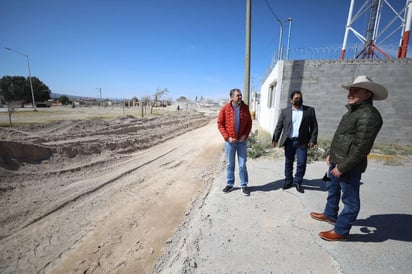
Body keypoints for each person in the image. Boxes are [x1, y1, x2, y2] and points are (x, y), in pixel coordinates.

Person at [310, 75, 388, 241]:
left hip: (349, 166)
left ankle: (341, 231)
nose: (350, 93)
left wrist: (342, 167)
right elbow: (343, 137)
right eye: (350, 90)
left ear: (368, 94)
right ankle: (330, 214)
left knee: (350, 200)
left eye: (355, 90)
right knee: (333, 190)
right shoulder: (353, 112)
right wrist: (332, 155)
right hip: (337, 160)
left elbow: (361, 148)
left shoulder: (369, 116)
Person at [272, 91, 318, 193]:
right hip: (289, 141)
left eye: (300, 97)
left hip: (302, 142)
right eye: (296, 98)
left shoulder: (309, 110)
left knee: (301, 163)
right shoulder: (285, 112)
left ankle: (298, 182)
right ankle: (288, 181)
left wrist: (313, 139)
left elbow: (314, 126)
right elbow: (279, 126)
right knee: (288, 162)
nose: (298, 99)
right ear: (291, 100)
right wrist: (275, 138)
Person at [217, 88, 253, 196]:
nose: (240, 97)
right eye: (238, 95)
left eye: (240, 95)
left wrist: (245, 135)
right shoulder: (225, 109)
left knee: (242, 164)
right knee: (229, 164)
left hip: (241, 141)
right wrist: (227, 138)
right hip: (230, 142)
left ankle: (244, 185)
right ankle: (230, 184)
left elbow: (249, 123)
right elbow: (220, 124)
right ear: (232, 97)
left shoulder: (245, 108)